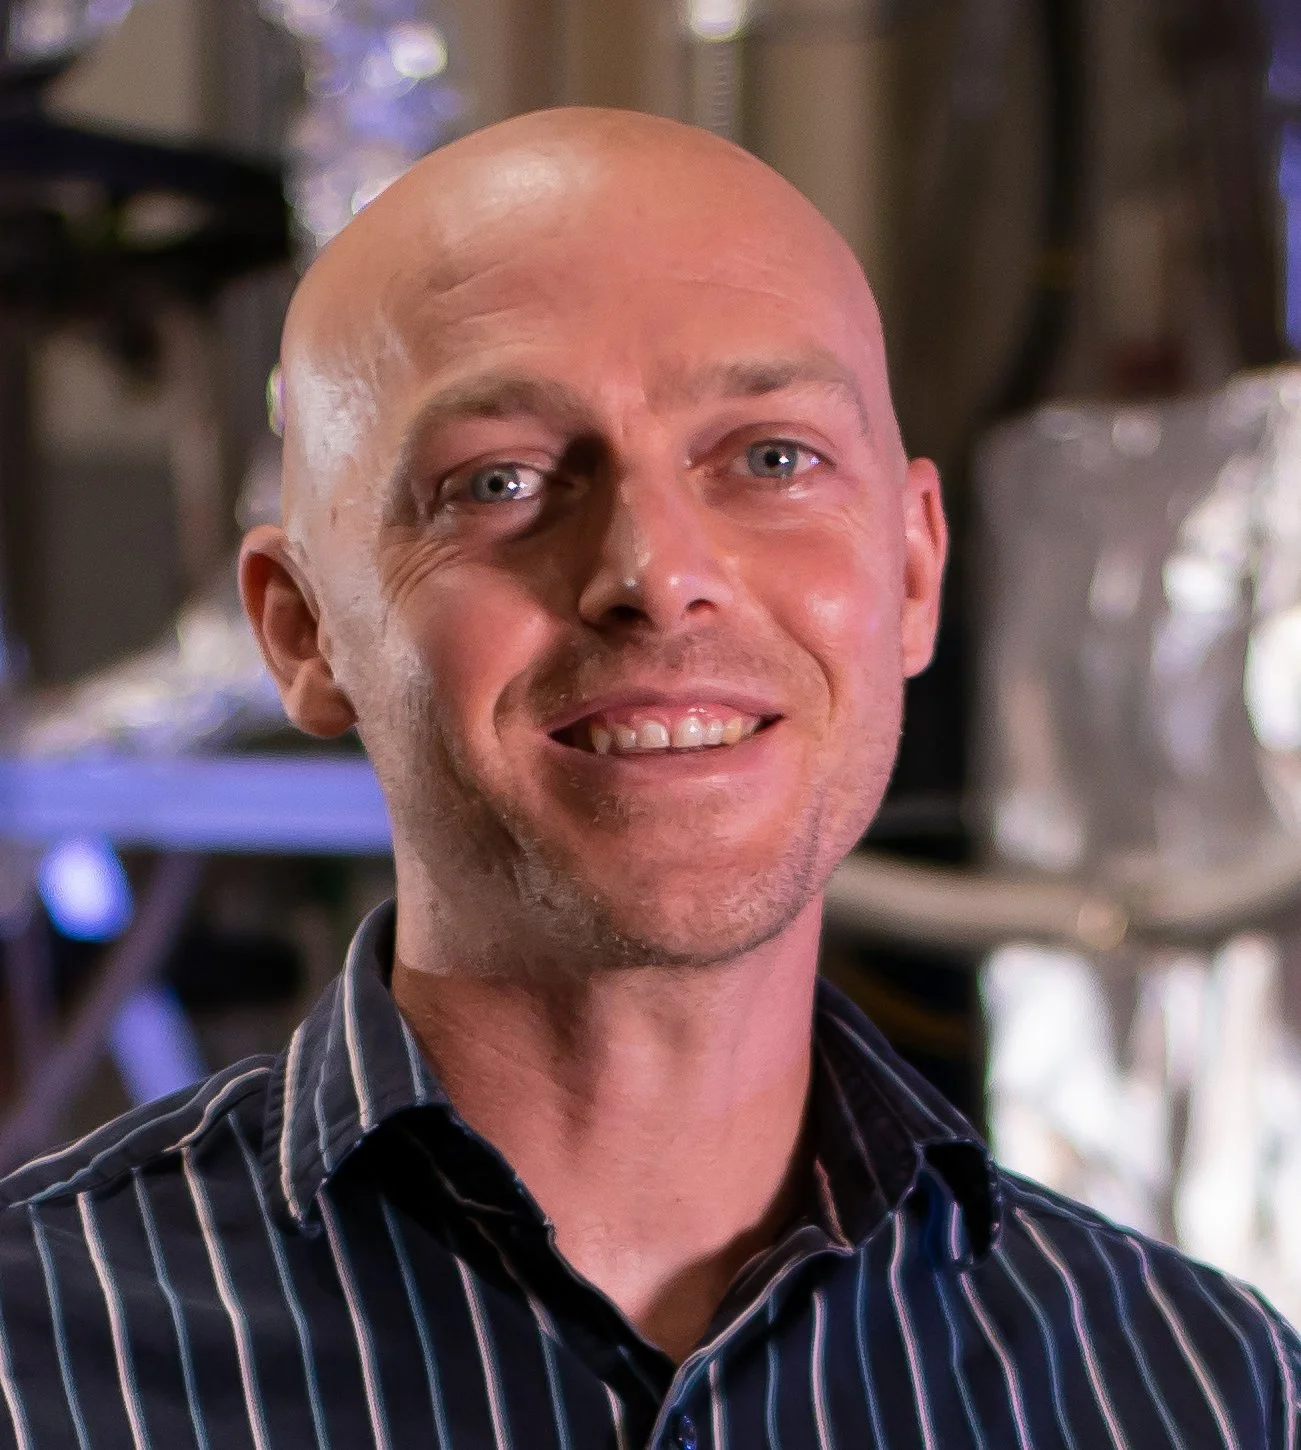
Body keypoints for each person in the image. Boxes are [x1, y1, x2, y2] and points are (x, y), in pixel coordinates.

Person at [0, 106, 1295, 1450]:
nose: (657, 573)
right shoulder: (31, 1369)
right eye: (499, 481)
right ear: (304, 630)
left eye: (773, 458)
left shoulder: (1195, 1391)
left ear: (912, 570)